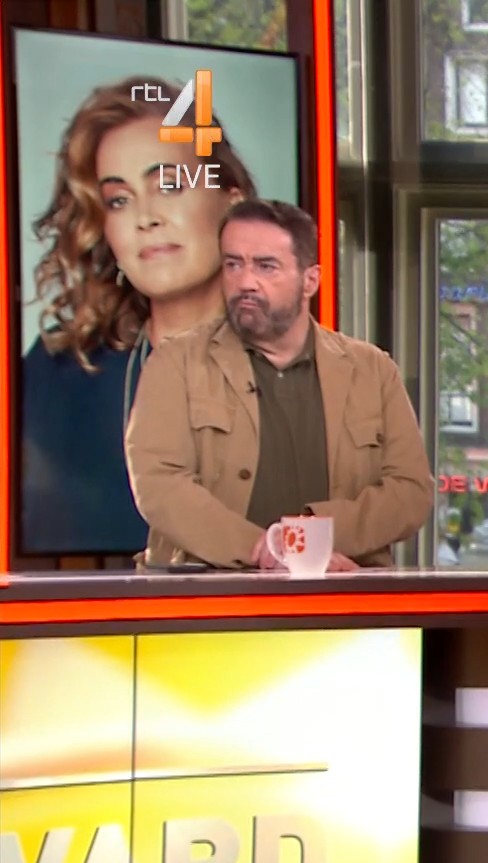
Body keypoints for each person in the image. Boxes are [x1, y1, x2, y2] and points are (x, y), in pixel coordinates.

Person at [18, 76, 257, 556]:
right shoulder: (59, 369)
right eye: (119, 200)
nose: (145, 217)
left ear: (231, 200)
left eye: (168, 184)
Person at [124, 199, 433, 570]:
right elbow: (159, 484)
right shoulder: (176, 363)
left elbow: (411, 492)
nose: (245, 282)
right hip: (206, 591)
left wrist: (308, 539)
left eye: (265, 266)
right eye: (233, 264)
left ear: (310, 280)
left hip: (341, 591)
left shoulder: (373, 371)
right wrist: (264, 548)